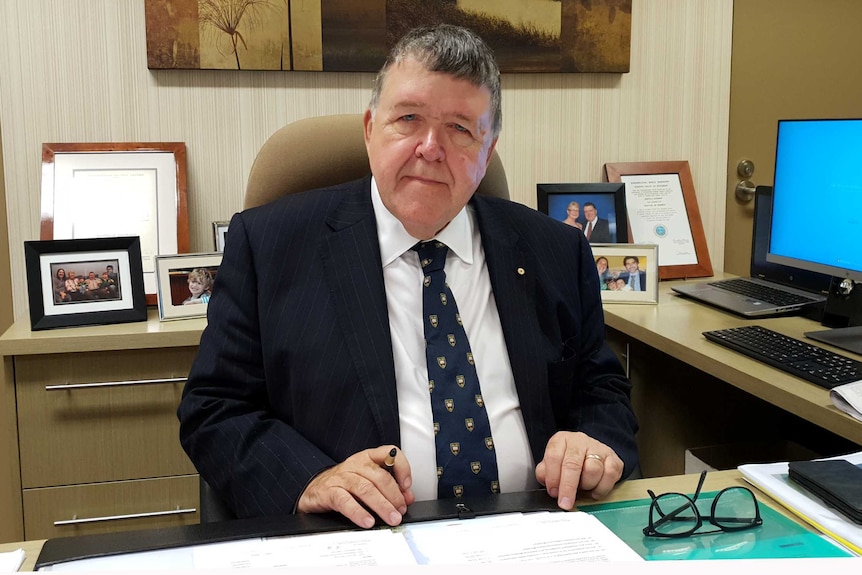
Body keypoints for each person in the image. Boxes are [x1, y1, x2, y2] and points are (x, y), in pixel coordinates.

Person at [178, 24, 637, 530]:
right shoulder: (269, 246)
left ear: (489, 148)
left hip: (539, 533)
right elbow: (214, 409)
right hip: (358, 541)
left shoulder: (556, 249)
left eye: (461, 128)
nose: (431, 148)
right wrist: (309, 479)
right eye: (409, 119)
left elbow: (601, 390)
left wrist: (594, 445)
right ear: (371, 128)